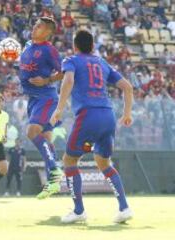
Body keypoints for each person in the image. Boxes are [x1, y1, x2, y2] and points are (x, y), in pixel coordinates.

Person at [50, 30, 134, 224]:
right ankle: (124, 207)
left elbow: (68, 80)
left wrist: (59, 109)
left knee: (69, 160)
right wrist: (127, 113)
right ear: (93, 45)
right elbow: (128, 87)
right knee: (104, 162)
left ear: (75, 46)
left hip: (88, 116)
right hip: (108, 117)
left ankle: (79, 211)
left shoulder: (71, 60)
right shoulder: (102, 63)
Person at [18, 16, 64, 199]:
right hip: (33, 99)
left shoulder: (49, 50)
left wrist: (47, 80)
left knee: (32, 132)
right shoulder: (28, 45)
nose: (34, 27)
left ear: (48, 33)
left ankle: (54, 170)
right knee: (45, 138)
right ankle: (53, 183)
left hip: (46, 97)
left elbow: (64, 71)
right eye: (35, 24)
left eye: (39, 26)